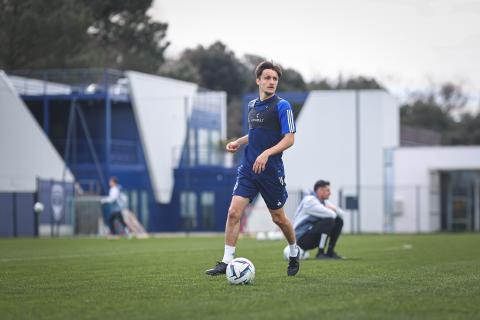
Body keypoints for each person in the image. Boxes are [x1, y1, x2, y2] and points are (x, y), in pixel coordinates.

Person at [205, 61, 300, 276]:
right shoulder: (252, 106)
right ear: (258, 80)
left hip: (271, 172)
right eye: (267, 78)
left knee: (279, 219)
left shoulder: (282, 106)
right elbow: (256, 134)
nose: (271, 82)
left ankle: (294, 251)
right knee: (233, 213)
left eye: (275, 79)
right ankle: (226, 262)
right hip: (248, 169)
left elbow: (290, 139)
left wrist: (267, 153)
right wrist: (238, 142)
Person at [293, 180, 344, 259]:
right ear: (320, 190)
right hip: (300, 238)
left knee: (339, 221)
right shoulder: (310, 201)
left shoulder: (323, 202)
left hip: (309, 235)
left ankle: (330, 252)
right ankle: (320, 253)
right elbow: (332, 215)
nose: (330, 193)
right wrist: (332, 210)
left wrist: (331, 209)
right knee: (329, 220)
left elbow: (341, 214)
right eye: (327, 190)